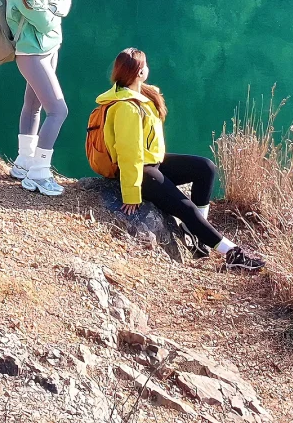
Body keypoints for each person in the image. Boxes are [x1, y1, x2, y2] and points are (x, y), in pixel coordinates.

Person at [95, 48, 264, 270]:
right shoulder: (127, 107)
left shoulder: (142, 96)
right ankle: (232, 255)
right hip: (138, 171)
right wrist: (131, 194)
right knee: (186, 208)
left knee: (205, 168)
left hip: (151, 161)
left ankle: (197, 232)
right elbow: (129, 154)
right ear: (139, 72)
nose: (147, 67)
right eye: (144, 65)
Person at [3, 0, 72, 195]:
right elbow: (43, 22)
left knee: (33, 106)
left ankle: (23, 162)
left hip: (49, 48)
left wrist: (53, 8)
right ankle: (39, 173)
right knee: (58, 110)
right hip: (32, 54)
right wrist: (54, 12)